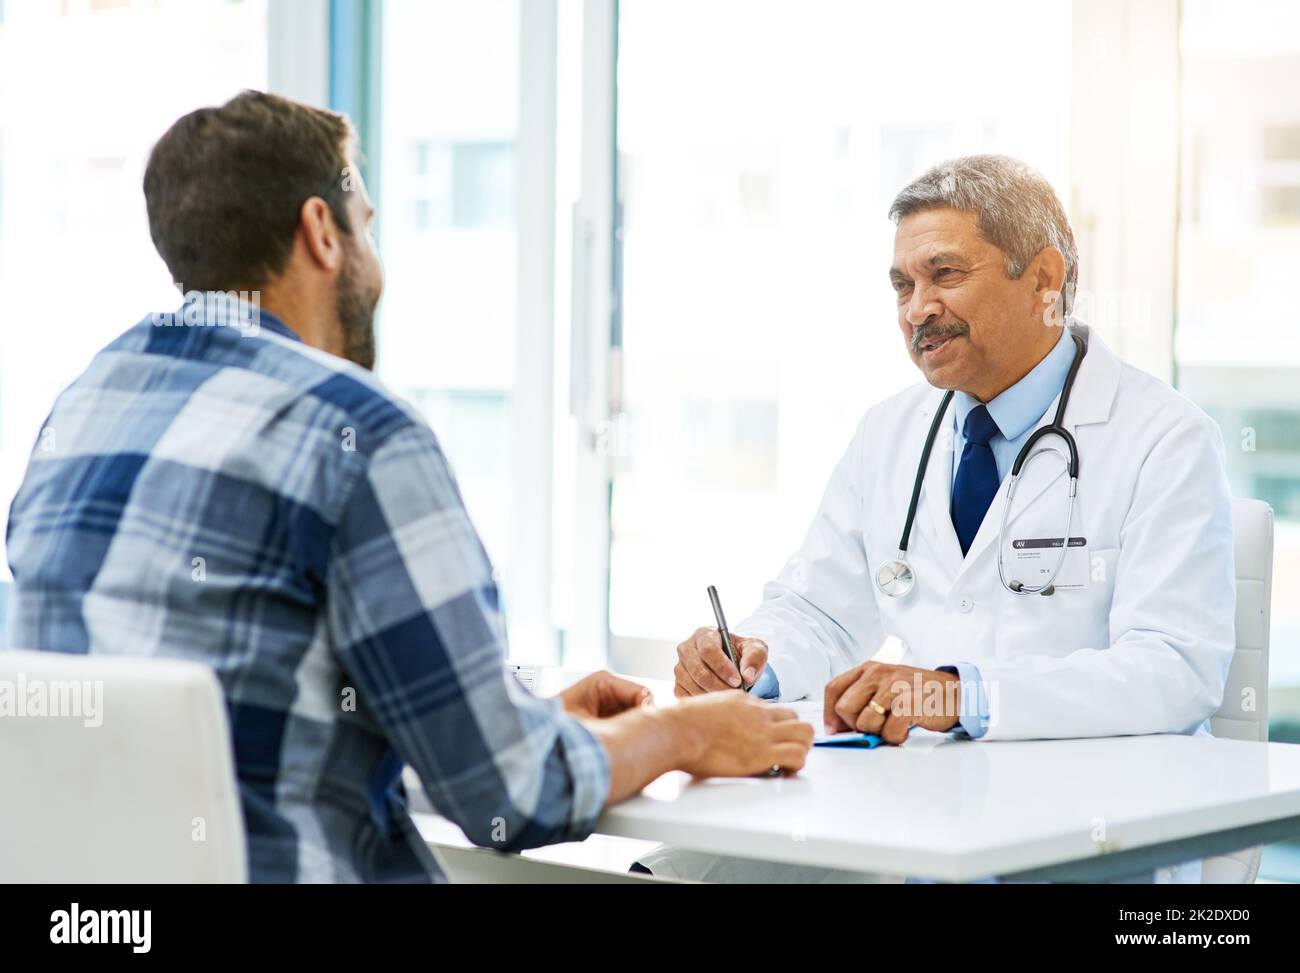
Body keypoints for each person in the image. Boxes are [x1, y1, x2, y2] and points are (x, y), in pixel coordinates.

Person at [3, 90, 813, 883]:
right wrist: (683, 732)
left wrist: (507, 718)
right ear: (322, 231)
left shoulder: (80, 409)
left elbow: (236, 714)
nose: (374, 262)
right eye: (367, 227)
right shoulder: (356, 429)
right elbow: (509, 794)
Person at [647, 155, 1234, 883]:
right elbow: (820, 612)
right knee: (688, 869)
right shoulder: (888, 432)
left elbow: (1174, 669)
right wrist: (752, 662)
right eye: (903, 284)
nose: (916, 308)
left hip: (1084, 831)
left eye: (945, 275)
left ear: (1044, 280)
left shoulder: (1163, 437)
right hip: (918, 810)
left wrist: (962, 695)